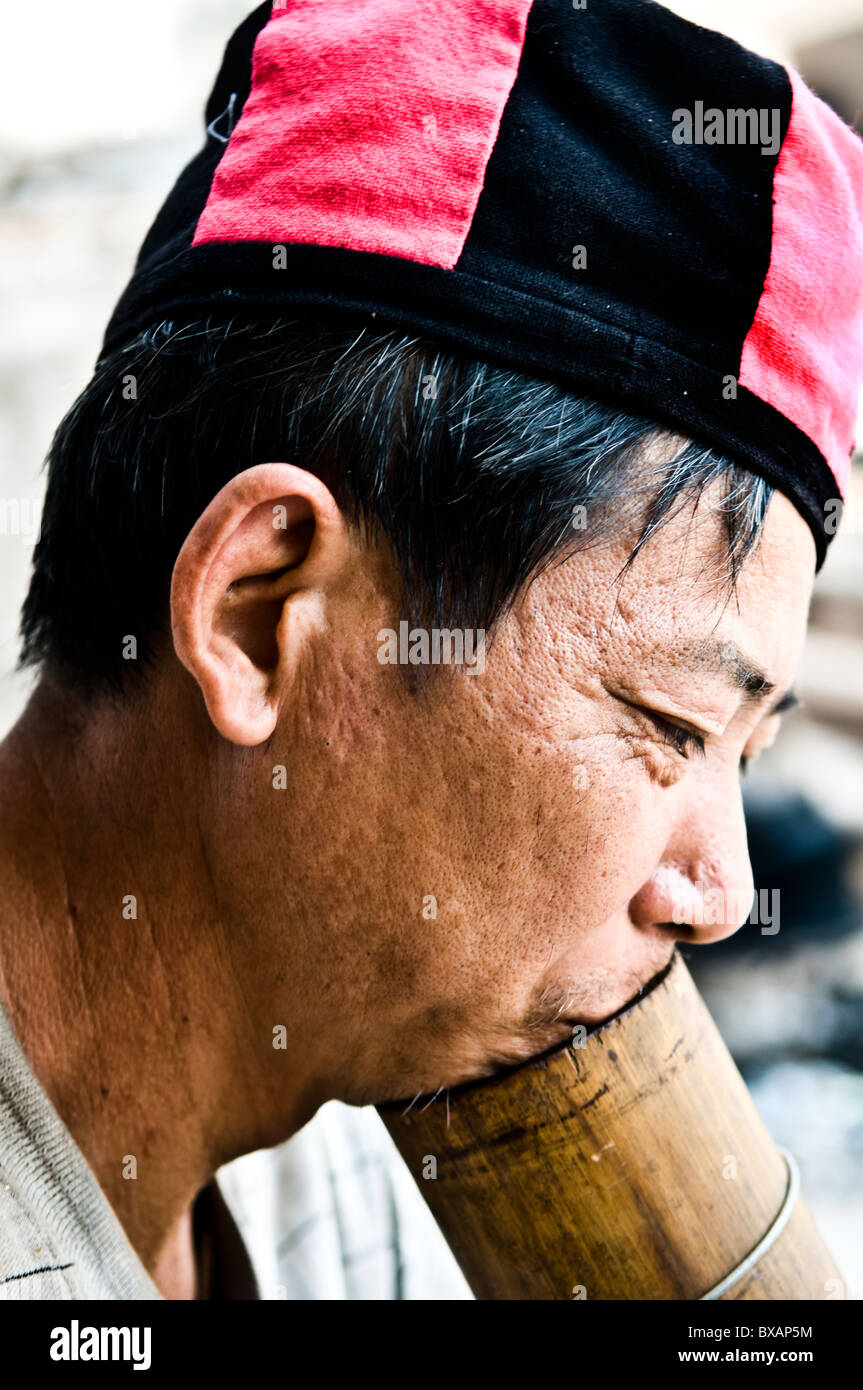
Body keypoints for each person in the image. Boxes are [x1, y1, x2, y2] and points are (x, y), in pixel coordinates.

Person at [1, 0, 862, 1300]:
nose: (723, 893)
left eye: (743, 754)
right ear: (258, 614)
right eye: (671, 723)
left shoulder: (356, 1097)